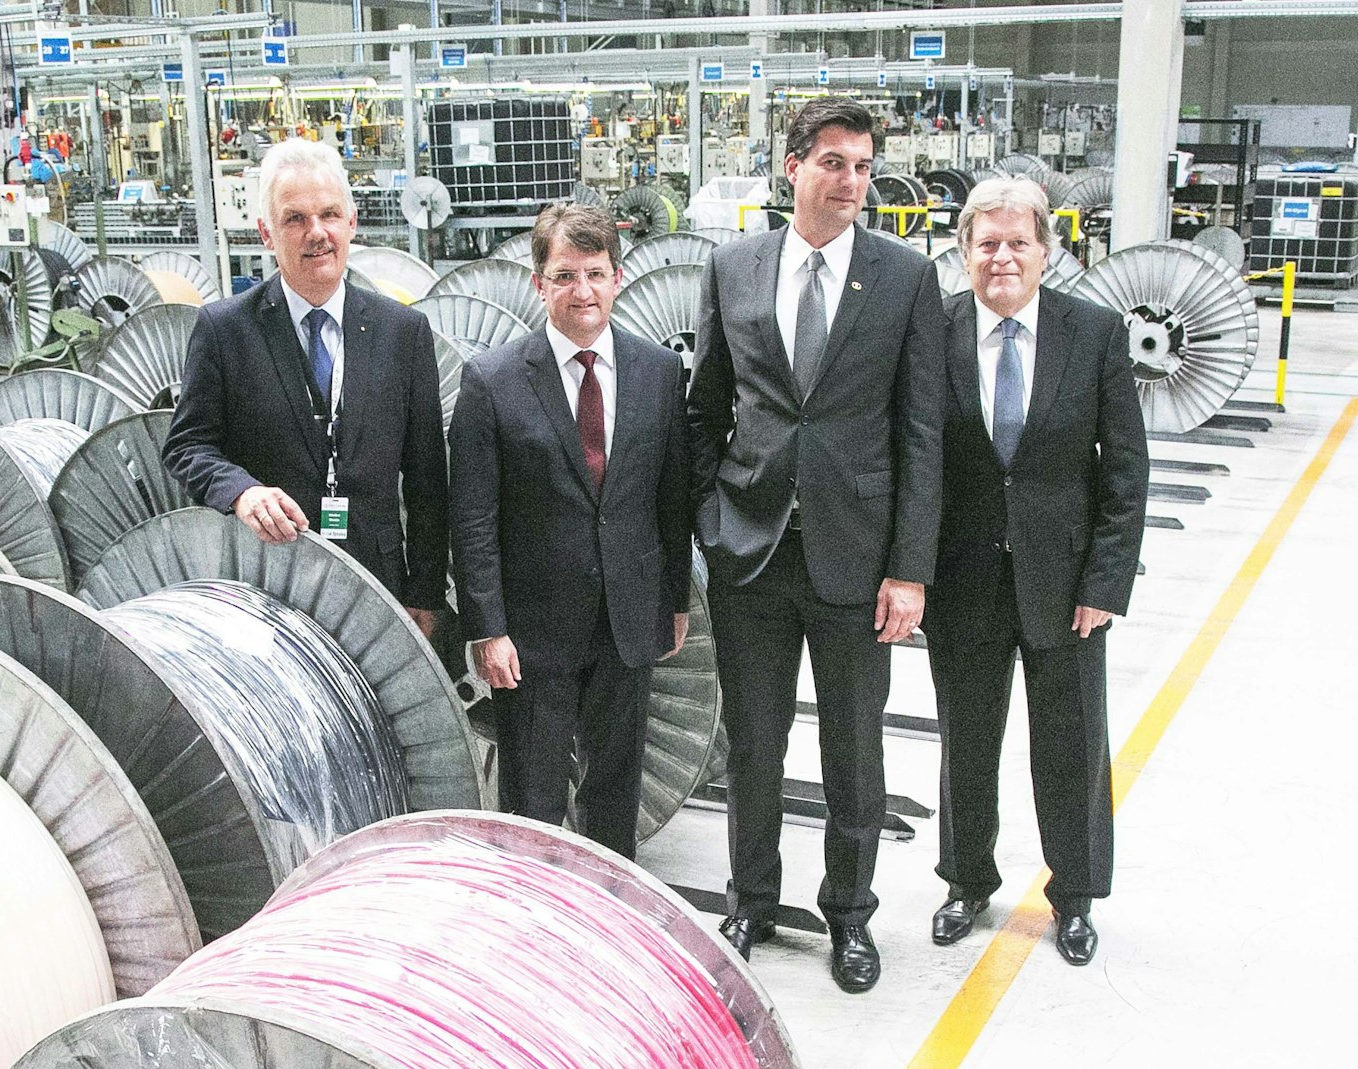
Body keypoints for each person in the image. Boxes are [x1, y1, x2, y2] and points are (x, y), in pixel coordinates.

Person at [687, 98, 947, 993]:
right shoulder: (734, 266)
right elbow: (706, 406)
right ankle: (751, 901)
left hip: (856, 557)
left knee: (854, 752)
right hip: (751, 551)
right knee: (754, 746)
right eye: (833, 162)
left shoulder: (906, 278)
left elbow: (921, 432)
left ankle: (850, 915)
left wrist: (909, 568)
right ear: (790, 165)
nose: (851, 182)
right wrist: (706, 523)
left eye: (864, 167)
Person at [925, 177, 1147, 966]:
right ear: (964, 251)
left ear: (1047, 252)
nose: (1003, 257)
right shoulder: (936, 331)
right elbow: (918, 462)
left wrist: (1106, 582)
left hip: (1066, 584)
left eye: (1020, 242)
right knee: (967, 741)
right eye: (987, 243)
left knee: (1073, 742)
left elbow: (1125, 469)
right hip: (964, 580)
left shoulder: (1094, 333)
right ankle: (966, 881)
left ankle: (1076, 895)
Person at [450, 203, 693, 859]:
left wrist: (674, 601)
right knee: (533, 801)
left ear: (617, 276)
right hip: (531, 635)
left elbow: (671, 500)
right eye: (564, 276)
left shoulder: (659, 373)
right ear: (538, 283)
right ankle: (532, 922)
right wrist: (487, 626)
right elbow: (472, 519)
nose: (581, 291)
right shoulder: (492, 382)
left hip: (627, 619)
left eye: (594, 273)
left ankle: (607, 908)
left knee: (615, 792)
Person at [163, 139, 449, 634]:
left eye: (329, 215)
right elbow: (186, 445)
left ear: (352, 223)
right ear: (266, 234)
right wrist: (242, 492)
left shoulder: (402, 332)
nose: (316, 233)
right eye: (295, 219)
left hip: (374, 582)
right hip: (263, 580)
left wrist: (424, 591)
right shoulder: (225, 329)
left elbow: (427, 477)